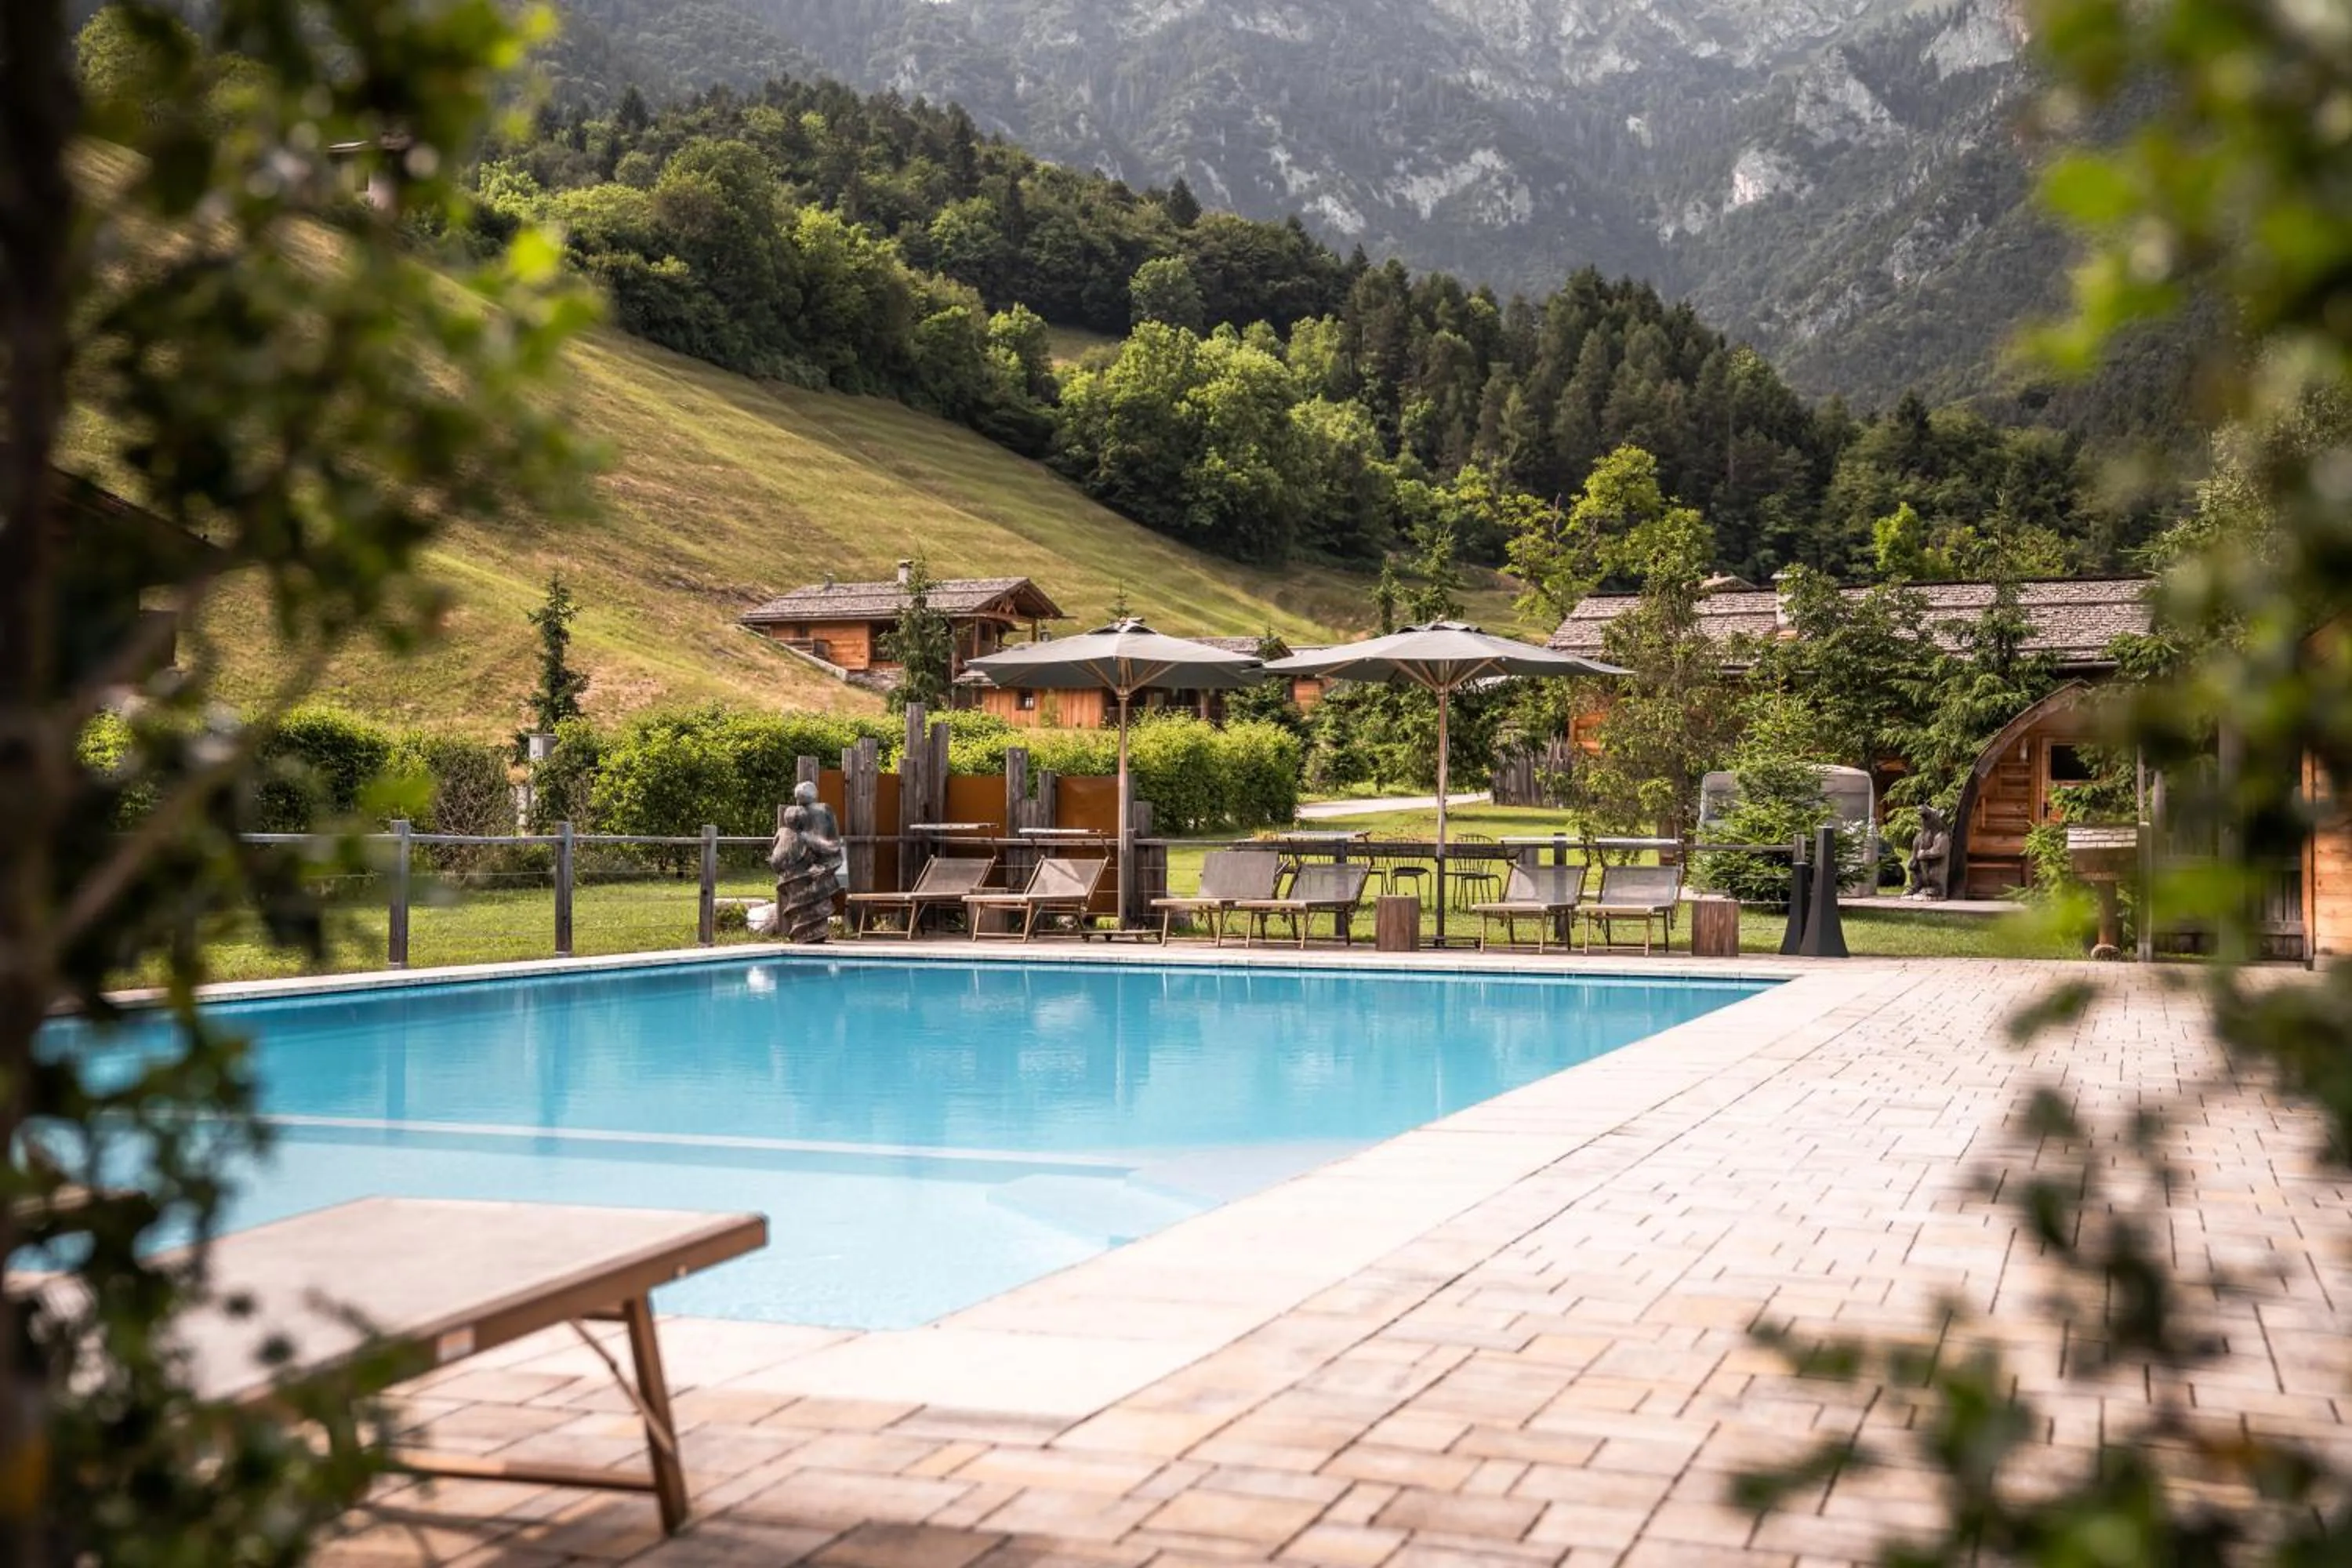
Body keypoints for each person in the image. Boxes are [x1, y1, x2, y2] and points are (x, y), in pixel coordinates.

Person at [769, 781, 846, 942]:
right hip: (801, 866)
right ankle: (809, 936)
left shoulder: (820, 811)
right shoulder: (804, 813)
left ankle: (813, 936)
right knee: (806, 903)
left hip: (812, 863)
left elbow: (830, 844)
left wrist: (822, 862)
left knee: (812, 903)